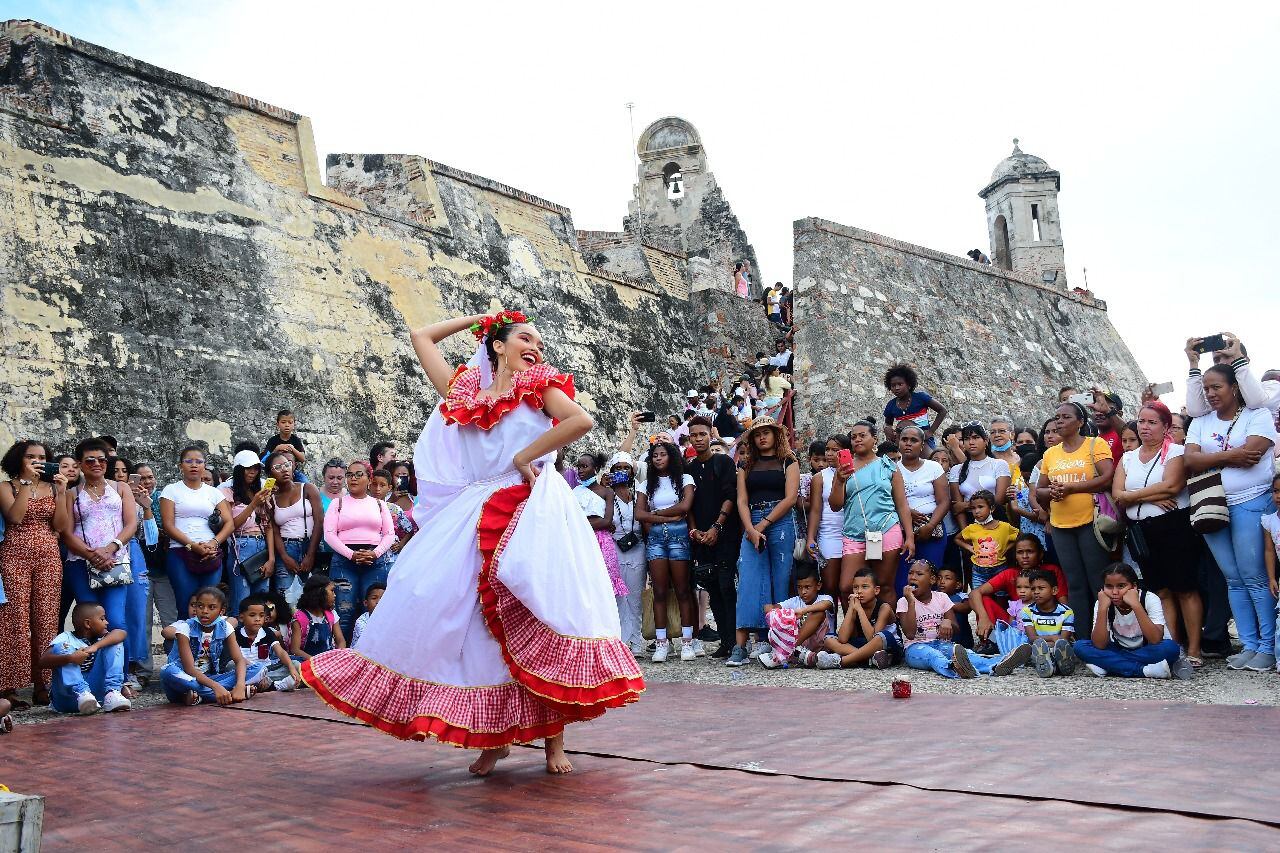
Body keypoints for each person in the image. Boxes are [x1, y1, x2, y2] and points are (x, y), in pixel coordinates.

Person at [301, 310, 642, 777]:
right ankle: (494, 738)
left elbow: (579, 421)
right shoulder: (465, 391)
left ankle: (553, 742)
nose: (535, 345)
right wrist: (483, 319)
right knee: (476, 626)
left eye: (540, 341)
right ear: (498, 345)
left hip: (532, 506)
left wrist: (527, 455)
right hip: (475, 511)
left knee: (540, 612)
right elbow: (421, 335)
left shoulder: (540, 385)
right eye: (524, 336)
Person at [1185, 364, 1278, 671]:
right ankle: (1250, 645)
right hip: (1211, 505)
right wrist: (1231, 456)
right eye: (1206, 388)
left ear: (1235, 387)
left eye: (1217, 387)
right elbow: (1190, 459)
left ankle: (1267, 646)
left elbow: (1253, 451)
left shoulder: (1258, 415)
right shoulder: (1199, 420)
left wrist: (1211, 459)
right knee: (1233, 579)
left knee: (1254, 577)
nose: (1210, 394)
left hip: (1251, 502)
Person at [1112, 401, 1204, 666]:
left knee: (1184, 588)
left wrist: (1134, 497)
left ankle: (1195, 650)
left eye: (1152, 422)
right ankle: (1172, 647)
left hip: (1173, 526)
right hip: (1141, 530)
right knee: (1160, 590)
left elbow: (1173, 486)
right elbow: (1117, 494)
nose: (1145, 427)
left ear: (1165, 426)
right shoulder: (1128, 457)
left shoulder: (1175, 452)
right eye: (1142, 421)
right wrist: (1151, 495)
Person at [60, 438, 138, 697]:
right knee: (88, 623)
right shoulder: (72, 493)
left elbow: (131, 523)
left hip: (115, 562)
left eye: (101, 459)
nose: (96, 464)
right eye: (89, 460)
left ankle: (120, 678)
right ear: (80, 464)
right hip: (80, 564)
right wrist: (91, 554)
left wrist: (111, 548)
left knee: (115, 620)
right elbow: (66, 531)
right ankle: (89, 679)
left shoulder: (121, 488)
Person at [0, 441, 70, 709]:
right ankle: (9, 687)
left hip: (48, 556)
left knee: (46, 618)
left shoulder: (53, 487)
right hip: (14, 555)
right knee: (13, 620)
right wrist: (27, 484)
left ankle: (44, 684)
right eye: (31, 457)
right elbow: (16, 517)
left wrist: (61, 494)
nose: (36, 461)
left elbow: (60, 526)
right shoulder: (7, 487)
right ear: (19, 459)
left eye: (41, 457)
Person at [726, 418, 800, 666]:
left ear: (776, 435)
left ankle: (777, 640)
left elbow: (790, 498)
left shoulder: (789, 461)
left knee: (780, 580)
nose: (762, 438)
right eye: (758, 434)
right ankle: (740, 645)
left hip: (779, 521)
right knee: (748, 579)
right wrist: (750, 528)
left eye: (767, 433)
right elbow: (741, 501)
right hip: (752, 520)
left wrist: (762, 525)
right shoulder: (746, 464)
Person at [1037, 401, 1115, 632]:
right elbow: (1039, 489)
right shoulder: (1051, 453)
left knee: (1097, 581)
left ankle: (1107, 632)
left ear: (1080, 422)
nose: (1059, 421)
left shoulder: (1094, 444)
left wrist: (1072, 488)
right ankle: (1082, 637)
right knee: (1075, 583)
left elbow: (1107, 477)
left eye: (1065, 417)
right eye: (1057, 417)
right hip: (1061, 524)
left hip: (1090, 521)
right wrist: (1050, 492)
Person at [829, 420, 915, 608]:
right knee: (846, 587)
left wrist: (909, 536)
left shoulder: (888, 466)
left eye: (862, 436)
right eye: (853, 437)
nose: (857, 440)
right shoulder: (844, 468)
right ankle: (856, 631)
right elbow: (835, 506)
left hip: (885, 529)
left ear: (874, 439)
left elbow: (901, 504)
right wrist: (840, 481)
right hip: (854, 533)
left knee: (884, 586)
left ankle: (887, 631)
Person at [897, 560, 1031, 679]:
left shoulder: (942, 598)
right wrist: (911, 603)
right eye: (910, 573)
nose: (913, 577)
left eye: (919, 574)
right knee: (934, 656)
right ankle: (955, 669)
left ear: (932, 580)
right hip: (915, 648)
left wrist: (947, 622)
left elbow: (955, 626)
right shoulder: (904, 601)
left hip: (940, 643)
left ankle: (1000, 663)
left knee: (970, 655)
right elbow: (909, 634)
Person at [634, 441, 696, 662]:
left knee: (682, 589)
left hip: (679, 535)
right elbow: (640, 515)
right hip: (656, 537)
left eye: (662, 455)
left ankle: (687, 642)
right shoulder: (645, 485)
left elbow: (685, 507)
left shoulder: (684, 479)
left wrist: (657, 514)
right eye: (655, 456)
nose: (658, 459)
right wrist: (667, 517)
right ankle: (661, 643)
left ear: (671, 456)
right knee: (659, 591)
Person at [1074, 563, 1190, 679]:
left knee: (1171, 649)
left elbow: (1155, 639)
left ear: (1134, 587)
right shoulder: (1102, 602)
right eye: (1109, 586)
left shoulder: (1149, 598)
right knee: (1080, 646)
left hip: (1148, 650)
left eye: (1121, 586)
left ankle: (1110, 665)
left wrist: (1136, 604)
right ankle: (1144, 670)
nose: (1114, 592)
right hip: (1119, 648)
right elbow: (1099, 644)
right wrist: (1103, 609)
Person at [324, 460, 396, 638]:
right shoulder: (337, 503)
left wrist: (375, 553)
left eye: (359, 474)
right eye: (350, 475)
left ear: (369, 479)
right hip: (344, 561)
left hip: (375, 560)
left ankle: (372, 653)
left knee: (375, 609)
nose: (353, 479)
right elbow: (329, 534)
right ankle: (344, 655)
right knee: (344, 611)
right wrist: (351, 555)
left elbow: (389, 534)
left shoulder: (379, 505)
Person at [686, 417, 740, 658]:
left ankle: (736, 641)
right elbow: (687, 504)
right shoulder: (689, 469)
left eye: (702, 434)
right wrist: (695, 531)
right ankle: (725, 641)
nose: (698, 439)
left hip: (726, 534)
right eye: (694, 435)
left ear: (710, 436)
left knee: (727, 586)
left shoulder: (724, 462)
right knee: (713, 587)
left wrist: (716, 527)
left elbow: (730, 495)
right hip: (701, 539)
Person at [160, 446, 234, 618]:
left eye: (199, 461)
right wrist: (192, 545)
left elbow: (229, 523)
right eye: (189, 461)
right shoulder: (171, 490)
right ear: (180, 466)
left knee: (210, 604)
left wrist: (213, 543)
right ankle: (185, 644)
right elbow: (168, 525)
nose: (194, 465)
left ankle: (207, 645)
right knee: (187, 605)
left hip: (210, 553)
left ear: (204, 466)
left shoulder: (213, 492)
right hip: (180, 551)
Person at [160, 586, 264, 705]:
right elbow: (189, 669)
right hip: (186, 678)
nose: (204, 611)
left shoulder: (225, 628)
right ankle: (226, 693)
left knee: (259, 668)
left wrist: (240, 685)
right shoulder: (185, 628)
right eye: (200, 606)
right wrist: (216, 687)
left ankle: (200, 696)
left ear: (222, 611)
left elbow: (239, 660)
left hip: (210, 678)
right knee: (167, 671)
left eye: (211, 607)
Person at [39, 602, 131, 714]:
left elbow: (121, 633)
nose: (107, 622)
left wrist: (94, 647)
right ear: (88, 624)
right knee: (63, 646)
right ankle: (82, 692)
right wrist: (70, 658)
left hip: (94, 700)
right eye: (102, 619)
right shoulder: (66, 637)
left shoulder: (101, 639)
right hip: (68, 698)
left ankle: (112, 692)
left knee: (114, 642)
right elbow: (43, 661)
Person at [895, 426, 950, 595]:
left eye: (914, 440)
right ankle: (904, 617)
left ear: (922, 444)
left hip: (931, 530)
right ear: (898, 442)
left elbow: (944, 501)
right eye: (904, 439)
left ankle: (929, 618)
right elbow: (885, 500)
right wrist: (906, 512)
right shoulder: (891, 468)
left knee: (929, 578)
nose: (908, 444)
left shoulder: (933, 467)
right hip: (901, 530)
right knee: (901, 578)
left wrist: (930, 525)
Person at [220, 449, 276, 614]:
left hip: (262, 544)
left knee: (261, 600)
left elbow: (269, 525)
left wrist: (271, 558)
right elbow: (231, 525)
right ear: (239, 469)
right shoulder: (227, 491)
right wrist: (253, 504)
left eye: (256, 468)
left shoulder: (260, 489)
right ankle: (237, 638)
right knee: (241, 601)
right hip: (241, 544)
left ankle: (259, 638)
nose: (253, 472)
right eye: (248, 468)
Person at [817, 566, 903, 669]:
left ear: (876, 590)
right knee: (829, 639)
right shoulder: (855, 605)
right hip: (875, 651)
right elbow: (842, 639)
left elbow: (872, 638)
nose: (859, 591)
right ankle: (870, 659)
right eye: (855, 587)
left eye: (865, 587)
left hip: (889, 647)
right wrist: (851, 609)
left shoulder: (884, 608)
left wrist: (859, 609)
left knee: (881, 636)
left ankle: (841, 661)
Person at [267, 450, 323, 602]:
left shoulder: (308, 488)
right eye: (277, 467)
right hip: (285, 547)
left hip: (310, 544)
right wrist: (284, 556)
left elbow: (319, 521)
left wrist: (311, 554)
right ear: (270, 475)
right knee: (285, 599)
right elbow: (275, 530)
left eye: (287, 465)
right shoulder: (271, 499)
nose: (284, 469)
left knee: (313, 597)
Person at [571, 453, 628, 600]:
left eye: (585, 466)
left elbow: (606, 521)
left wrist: (578, 523)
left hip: (601, 542)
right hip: (579, 540)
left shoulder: (607, 492)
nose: (580, 470)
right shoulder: (573, 492)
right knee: (583, 585)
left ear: (595, 468)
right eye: (579, 467)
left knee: (603, 586)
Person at [606, 452, 647, 656]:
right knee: (618, 596)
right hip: (615, 546)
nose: (622, 471)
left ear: (632, 471)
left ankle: (637, 641)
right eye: (618, 468)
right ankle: (621, 640)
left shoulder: (639, 491)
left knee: (636, 595)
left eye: (626, 468)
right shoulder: (606, 493)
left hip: (637, 545)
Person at [1185, 333, 1280, 420]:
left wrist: (1238, 358)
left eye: (1227, 356)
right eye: (1216, 359)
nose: (1221, 363)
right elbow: (1195, 411)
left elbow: (1256, 402)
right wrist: (1193, 364)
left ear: (1245, 360)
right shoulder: (1217, 394)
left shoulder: (1270, 386)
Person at [758, 564, 834, 668]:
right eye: (799, 587)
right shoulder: (795, 601)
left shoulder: (824, 598)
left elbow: (826, 604)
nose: (803, 592)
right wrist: (777, 613)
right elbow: (770, 608)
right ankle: (799, 655)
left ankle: (784, 652)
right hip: (800, 648)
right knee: (778, 616)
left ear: (818, 586)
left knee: (818, 612)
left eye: (807, 587)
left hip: (821, 646)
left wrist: (803, 610)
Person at [808, 435, 850, 604]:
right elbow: (815, 510)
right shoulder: (819, 478)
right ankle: (830, 628)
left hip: (852, 534)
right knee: (829, 585)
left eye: (836, 450)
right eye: (828, 449)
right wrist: (811, 537)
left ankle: (851, 626)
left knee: (848, 587)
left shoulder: (856, 473)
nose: (830, 454)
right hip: (828, 534)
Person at [949, 422, 1012, 527]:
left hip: (996, 519)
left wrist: (966, 505)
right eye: (967, 439)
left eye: (975, 437)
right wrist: (966, 532)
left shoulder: (999, 464)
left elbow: (999, 500)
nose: (971, 442)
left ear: (986, 441)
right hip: (970, 522)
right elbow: (956, 508)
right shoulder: (957, 470)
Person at [955, 490, 1020, 591]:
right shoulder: (971, 528)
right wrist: (969, 547)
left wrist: (1007, 548)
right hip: (978, 571)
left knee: (1001, 596)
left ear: (992, 508)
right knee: (978, 594)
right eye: (973, 508)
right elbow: (957, 539)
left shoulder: (1004, 527)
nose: (976, 511)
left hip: (1000, 569)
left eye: (980, 507)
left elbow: (1020, 538)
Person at [234, 594, 299, 692]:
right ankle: (276, 685)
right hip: (246, 670)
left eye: (261, 615)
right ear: (241, 618)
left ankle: (257, 685)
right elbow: (237, 659)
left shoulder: (267, 632)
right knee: (230, 665)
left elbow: (280, 652)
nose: (257, 619)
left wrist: (291, 667)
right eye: (252, 615)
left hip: (267, 670)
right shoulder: (236, 634)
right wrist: (257, 673)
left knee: (295, 664)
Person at [1021, 569, 1077, 677]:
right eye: (1033, 589)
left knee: (1061, 648)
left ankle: (1053, 664)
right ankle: (1051, 664)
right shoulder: (1027, 611)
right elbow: (1032, 637)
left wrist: (1048, 643)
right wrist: (1052, 638)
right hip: (1038, 647)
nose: (1036, 592)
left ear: (1054, 590)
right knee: (1034, 648)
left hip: (1058, 648)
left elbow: (1063, 640)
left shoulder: (1066, 612)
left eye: (1041, 588)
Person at [881, 365, 948, 445]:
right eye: (893, 385)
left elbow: (942, 410)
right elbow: (888, 422)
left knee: (930, 456)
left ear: (909, 385)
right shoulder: (891, 405)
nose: (897, 388)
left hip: (923, 440)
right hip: (902, 441)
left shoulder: (920, 397)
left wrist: (930, 432)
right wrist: (887, 428)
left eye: (900, 384)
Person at [291, 574, 346, 658]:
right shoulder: (300, 618)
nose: (334, 595)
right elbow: (295, 650)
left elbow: (340, 640)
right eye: (332, 591)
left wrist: (337, 657)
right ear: (319, 593)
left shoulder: (332, 614)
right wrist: (317, 662)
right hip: (308, 661)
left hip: (330, 659)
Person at [369, 469, 416, 565]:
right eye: (374, 484)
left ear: (389, 488)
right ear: (369, 485)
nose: (378, 489)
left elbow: (409, 530)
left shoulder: (394, 509)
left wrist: (400, 545)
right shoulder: (362, 507)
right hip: (369, 555)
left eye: (382, 485)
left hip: (390, 558)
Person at [265, 410, 307, 482]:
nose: (287, 425)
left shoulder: (295, 440)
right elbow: (266, 460)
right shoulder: (273, 440)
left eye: (290, 422)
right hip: (277, 471)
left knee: (304, 482)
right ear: (277, 424)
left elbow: (302, 459)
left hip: (293, 472)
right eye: (283, 422)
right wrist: (276, 449)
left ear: (294, 425)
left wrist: (292, 449)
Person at [937, 566, 973, 649]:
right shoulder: (934, 595)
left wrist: (946, 605)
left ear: (958, 585)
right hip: (941, 636)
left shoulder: (961, 596)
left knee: (954, 599)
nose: (942, 581)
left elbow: (967, 607)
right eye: (939, 578)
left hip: (961, 638)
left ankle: (958, 646)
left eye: (947, 578)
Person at [350, 582, 385, 648]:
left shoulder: (389, 619)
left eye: (382, 598)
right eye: (374, 598)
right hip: (361, 654)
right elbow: (370, 641)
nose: (378, 602)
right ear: (366, 603)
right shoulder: (361, 622)